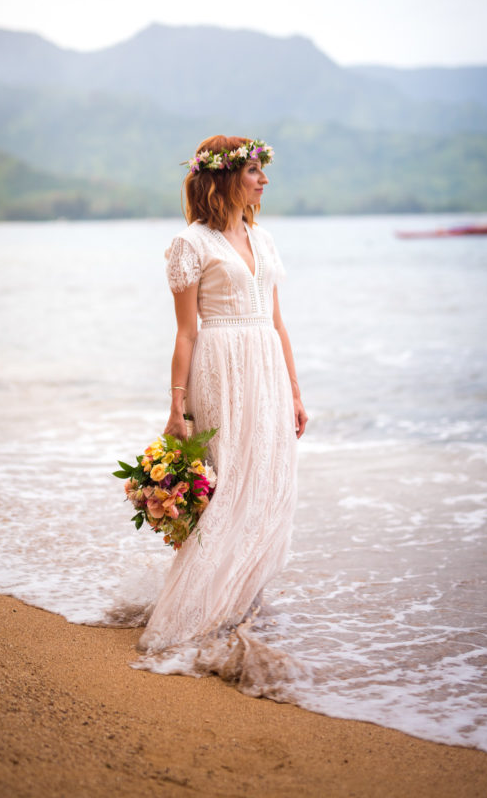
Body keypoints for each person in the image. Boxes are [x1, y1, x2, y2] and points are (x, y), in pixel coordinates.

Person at [136, 135, 308, 666]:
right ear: (226, 177)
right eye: (255, 172)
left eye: (263, 171)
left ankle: (239, 602)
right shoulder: (192, 244)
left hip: (266, 369)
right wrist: (176, 407)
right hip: (221, 367)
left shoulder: (265, 238)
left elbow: (277, 322)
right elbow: (186, 334)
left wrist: (295, 391)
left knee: (270, 486)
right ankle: (193, 614)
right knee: (230, 487)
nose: (264, 180)